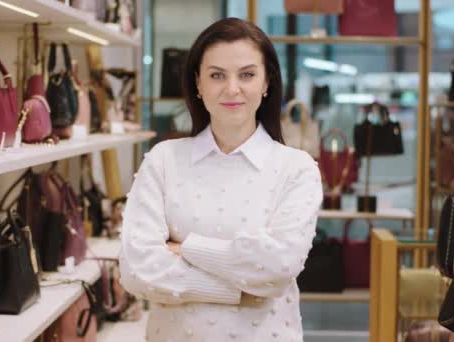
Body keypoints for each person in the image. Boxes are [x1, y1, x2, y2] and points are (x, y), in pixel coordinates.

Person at [119, 17, 323, 341]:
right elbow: (136, 270)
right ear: (198, 84)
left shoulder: (296, 169)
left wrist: (185, 247)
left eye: (247, 74)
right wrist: (237, 291)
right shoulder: (163, 160)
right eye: (216, 75)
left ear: (266, 82)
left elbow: (277, 268)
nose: (232, 89)